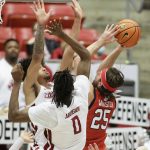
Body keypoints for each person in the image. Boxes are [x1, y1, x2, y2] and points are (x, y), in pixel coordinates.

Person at [9, 0, 91, 150]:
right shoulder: (32, 88)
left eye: (43, 66)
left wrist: (77, 20)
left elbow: (69, 52)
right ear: (30, 74)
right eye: (39, 68)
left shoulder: (59, 88)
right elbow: (37, 56)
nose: (44, 68)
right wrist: (40, 26)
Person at [0, 39, 20, 107]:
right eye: (10, 47)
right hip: (2, 110)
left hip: (21, 109)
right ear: (4, 50)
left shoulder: (25, 67)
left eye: (16, 47)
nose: (13, 49)